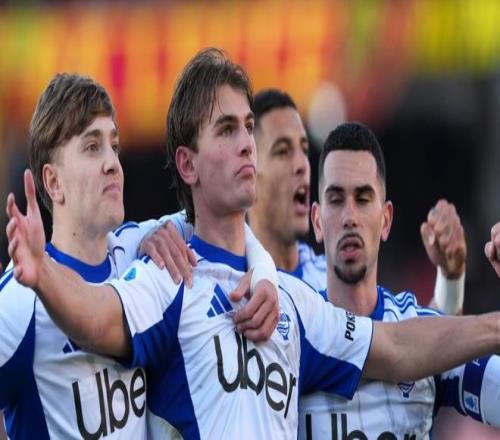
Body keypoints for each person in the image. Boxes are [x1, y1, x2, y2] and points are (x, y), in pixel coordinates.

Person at [6, 49, 500, 439]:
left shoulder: (289, 299)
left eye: (247, 127)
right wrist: (41, 271)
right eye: (227, 130)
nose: (247, 142)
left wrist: (493, 325)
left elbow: (395, 345)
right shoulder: (166, 275)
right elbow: (100, 319)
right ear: (187, 164)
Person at [0, 72, 277, 439]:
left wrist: (265, 273)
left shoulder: (139, 246)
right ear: (53, 182)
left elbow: (227, 221)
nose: (112, 163)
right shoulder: (21, 298)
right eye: (92, 146)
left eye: (114, 145)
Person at [298, 122, 500, 439]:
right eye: (335, 200)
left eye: (363, 199)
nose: (349, 217)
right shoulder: (296, 331)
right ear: (317, 221)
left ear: (386, 220)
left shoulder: (424, 332)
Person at [248, 89, 465, 315]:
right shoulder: (229, 286)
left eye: (304, 149)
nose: (302, 164)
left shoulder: (333, 275)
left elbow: (421, 331)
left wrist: (451, 278)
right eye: (282, 151)